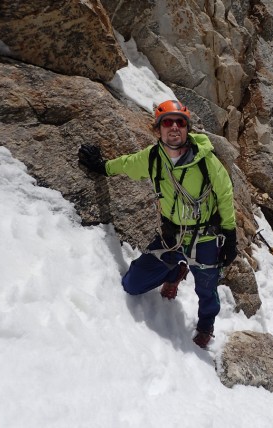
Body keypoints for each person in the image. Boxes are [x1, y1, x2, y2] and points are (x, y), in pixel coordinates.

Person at [78, 99, 237, 348]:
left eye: (180, 123)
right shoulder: (153, 158)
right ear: (158, 128)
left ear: (187, 128)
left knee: (207, 290)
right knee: (132, 284)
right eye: (168, 122)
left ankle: (206, 325)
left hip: (204, 239)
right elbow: (128, 164)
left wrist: (230, 234)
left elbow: (225, 194)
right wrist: (103, 167)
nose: (174, 127)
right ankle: (175, 271)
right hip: (171, 237)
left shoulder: (207, 162)